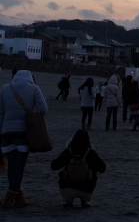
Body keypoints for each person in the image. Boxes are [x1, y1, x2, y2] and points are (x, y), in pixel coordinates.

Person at [0, 70, 48, 208]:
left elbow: (1, 112)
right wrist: (31, 115)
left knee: (12, 166)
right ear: (29, 78)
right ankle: (9, 199)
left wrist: (2, 130)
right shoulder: (34, 88)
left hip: (7, 132)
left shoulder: (5, 88)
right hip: (23, 132)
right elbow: (43, 109)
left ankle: (19, 197)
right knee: (19, 167)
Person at [50, 129, 106, 208]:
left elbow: (54, 166)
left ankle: (68, 201)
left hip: (68, 187)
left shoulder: (68, 151)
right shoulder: (91, 152)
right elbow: (103, 169)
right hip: (87, 188)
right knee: (93, 175)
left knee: (64, 178)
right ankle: (85, 200)